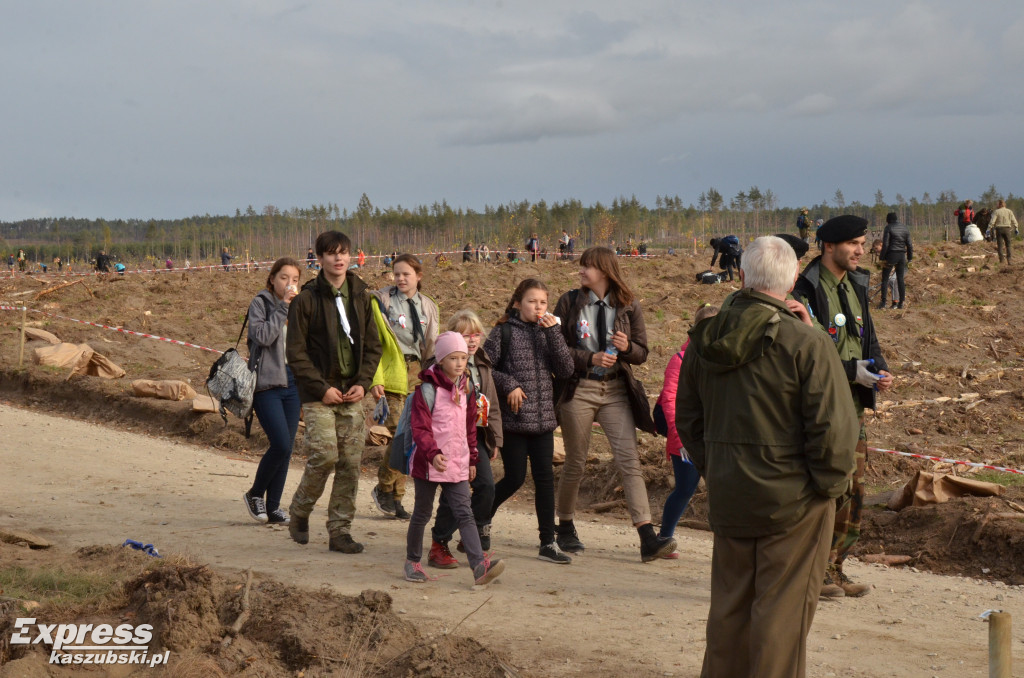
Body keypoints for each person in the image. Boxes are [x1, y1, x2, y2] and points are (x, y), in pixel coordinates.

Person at [677, 235, 858, 678]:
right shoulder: (807, 343)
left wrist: (716, 470)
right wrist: (827, 490)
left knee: (729, 616)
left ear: (740, 275)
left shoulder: (705, 339)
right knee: (781, 621)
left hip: (731, 493)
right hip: (796, 504)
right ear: (794, 279)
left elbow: (689, 420)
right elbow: (835, 431)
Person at [552, 247, 676, 562]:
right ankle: (564, 525)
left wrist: (627, 347)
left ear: (605, 271)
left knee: (629, 461)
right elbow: (557, 351)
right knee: (576, 462)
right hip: (578, 389)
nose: (581, 271)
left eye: (587, 267)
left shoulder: (628, 305)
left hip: (616, 390)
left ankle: (647, 537)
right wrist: (590, 357)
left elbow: (643, 351)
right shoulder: (568, 302)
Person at [793, 215, 893, 598]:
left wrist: (879, 370)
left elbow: (869, 340)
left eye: (863, 243)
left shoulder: (855, 285)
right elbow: (806, 350)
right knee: (827, 489)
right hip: (822, 406)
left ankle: (835, 568)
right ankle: (813, 572)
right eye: (854, 243)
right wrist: (852, 370)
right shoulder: (805, 288)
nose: (862, 250)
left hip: (853, 406)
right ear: (829, 246)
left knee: (855, 491)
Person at [286, 230, 383, 553]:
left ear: (352, 255)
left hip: (351, 392)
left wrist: (363, 383)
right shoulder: (306, 300)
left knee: (350, 462)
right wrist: (321, 388)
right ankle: (300, 509)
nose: (338, 259)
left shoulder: (363, 296)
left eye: (343, 252)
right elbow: (296, 353)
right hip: (318, 394)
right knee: (325, 455)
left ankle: (339, 530)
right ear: (319, 258)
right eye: (331, 253)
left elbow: (373, 347)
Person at [402, 332, 506, 586]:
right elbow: (420, 429)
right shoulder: (426, 391)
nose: (460, 363)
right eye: (453, 358)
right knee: (422, 513)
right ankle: (412, 561)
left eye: (463, 357)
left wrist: (472, 459)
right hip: (428, 464)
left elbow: (470, 428)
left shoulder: (468, 389)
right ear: (440, 360)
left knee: (465, 512)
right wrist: (433, 454)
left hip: (457, 463)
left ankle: (479, 567)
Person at [485, 279, 575, 564]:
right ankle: (480, 519)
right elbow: (484, 367)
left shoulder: (549, 332)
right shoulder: (503, 332)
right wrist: (509, 383)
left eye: (543, 302)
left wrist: (554, 335)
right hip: (514, 421)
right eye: (531, 301)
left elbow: (566, 369)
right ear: (517, 303)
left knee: (545, 481)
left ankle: (547, 542)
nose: (538, 307)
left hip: (544, 421)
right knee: (514, 478)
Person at [427, 310, 502, 567]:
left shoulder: (483, 363)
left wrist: (496, 440)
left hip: (475, 436)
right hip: (446, 438)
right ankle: (439, 544)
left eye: (476, 334)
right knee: (452, 492)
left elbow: (491, 403)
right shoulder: (439, 366)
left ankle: (471, 537)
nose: (471, 340)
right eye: (464, 335)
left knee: (486, 486)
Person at [369, 254, 439, 521]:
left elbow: (432, 346)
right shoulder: (382, 302)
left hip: (418, 376)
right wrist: (376, 379)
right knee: (401, 435)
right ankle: (384, 487)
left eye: (405, 274)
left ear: (418, 276)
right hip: (392, 375)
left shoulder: (428, 306)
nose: (399, 278)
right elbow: (373, 344)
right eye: (396, 274)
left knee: (412, 439)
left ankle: (396, 497)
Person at [654, 303, 719, 557]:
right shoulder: (679, 360)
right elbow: (670, 400)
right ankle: (663, 538)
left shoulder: (723, 360)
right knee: (685, 488)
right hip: (685, 438)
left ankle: (727, 548)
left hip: (714, 437)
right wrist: (680, 438)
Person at [243, 258, 302, 525]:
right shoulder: (261, 303)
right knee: (279, 443)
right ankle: (255, 494)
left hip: (293, 383)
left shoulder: (298, 307)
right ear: (272, 279)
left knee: (287, 448)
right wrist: (283, 308)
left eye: (295, 280)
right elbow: (263, 336)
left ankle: (274, 506)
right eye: (284, 278)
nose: (290, 284)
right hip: (267, 384)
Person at [878, 212, 913, 310]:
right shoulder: (905, 228)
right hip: (902, 255)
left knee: (885, 279)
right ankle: (901, 303)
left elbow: (885, 244)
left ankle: (883, 302)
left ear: (888, 220)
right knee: (900, 279)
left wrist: (882, 258)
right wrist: (910, 258)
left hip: (891, 255)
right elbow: (909, 245)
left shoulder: (888, 228)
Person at [989, 199, 1019, 265]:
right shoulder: (1009, 211)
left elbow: (992, 221)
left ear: (999, 204)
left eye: (997, 204)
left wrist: (988, 229)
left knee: (1000, 246)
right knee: (1008, 245)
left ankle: (1002, 260)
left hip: (999, 229)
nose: (996, 205)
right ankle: (1009, 260)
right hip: (1007, 229)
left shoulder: (996, 212)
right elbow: (1014, 220)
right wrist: (1016, 228)